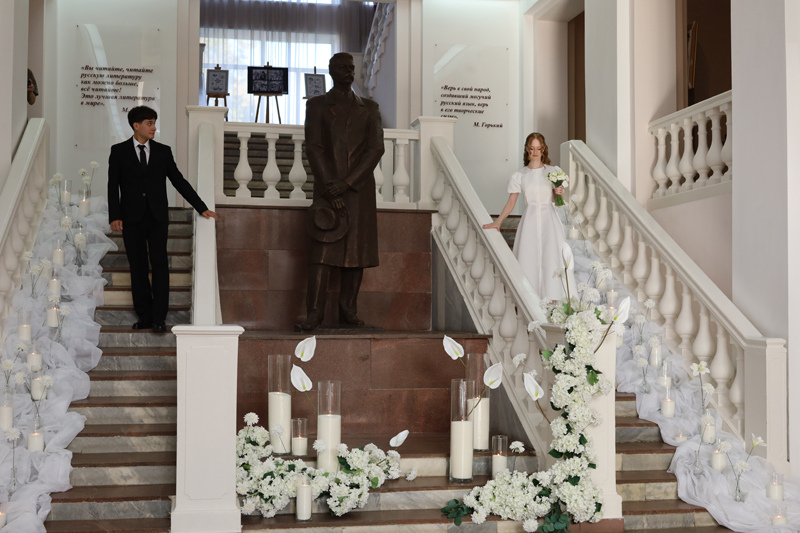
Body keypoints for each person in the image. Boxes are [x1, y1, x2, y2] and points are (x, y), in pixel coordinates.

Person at [108, 106, 218, 332]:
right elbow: (113, 186)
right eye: (149, 123)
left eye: (154, 123)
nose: (154, 128)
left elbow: (178, 181)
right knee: (137, 266)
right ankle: (144, 316)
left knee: (159, 265)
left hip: (157, 217)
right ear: (136, 125)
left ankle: (159, 318)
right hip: (131, 218)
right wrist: (115, 216)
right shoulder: (118, 151)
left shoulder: (163, 151)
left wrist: (201, 207)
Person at [300, 52, 385, 331]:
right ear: (331, 71)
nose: (348, 71)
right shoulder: (317, 105)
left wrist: (347, 183)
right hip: (328, 189)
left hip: (358, 189)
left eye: (351, 67)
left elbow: (375, 149)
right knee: (322, 254)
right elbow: (314, 147)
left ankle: (348, 310)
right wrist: (331, 187)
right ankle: (314, 313)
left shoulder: (369, 108)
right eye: (342, 67)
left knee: (356, 254)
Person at [483, 132, 575, 303]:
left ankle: (554, 299)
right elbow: (511, 202)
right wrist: (498, 221)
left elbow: (557, 199)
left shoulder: (553, 172)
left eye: (538, 149)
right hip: (530, 220)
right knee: (528, 258)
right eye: (532, 149)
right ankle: (530, 301)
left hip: (550, 221)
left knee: (552, 258)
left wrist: (558, 192)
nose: (535, 152)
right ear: (527, 149)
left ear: (543, 149)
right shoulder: (520, 175)